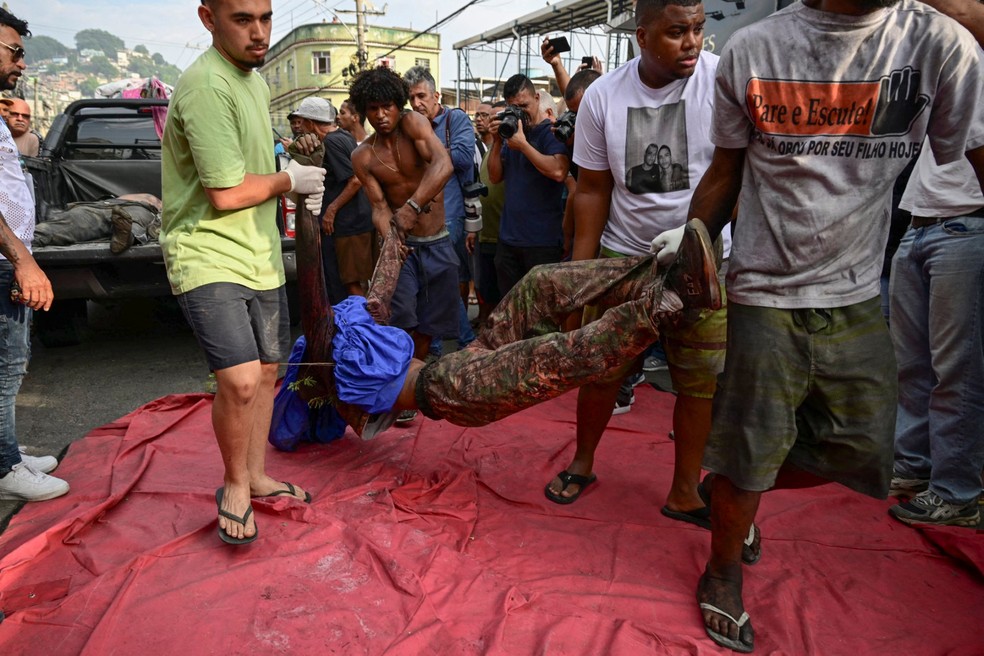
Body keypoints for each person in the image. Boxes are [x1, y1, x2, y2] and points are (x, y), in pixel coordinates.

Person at [656, 0, 983, 651]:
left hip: (859, 290)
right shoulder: (754, 50)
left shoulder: (938, 45)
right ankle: (722, 570)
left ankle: (729, 487)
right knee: (752, 445)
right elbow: (726, 170)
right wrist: (691, 254)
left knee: (864, 447)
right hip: (762, 292)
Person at [545, 0, 729, 551]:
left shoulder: (722, 82)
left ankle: (684, 492)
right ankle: (582, 461)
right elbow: (593, 191)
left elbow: (741, 171)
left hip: (701, 258)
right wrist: (582, 279)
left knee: (699, 383)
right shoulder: (603, 96)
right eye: (676, 32)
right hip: (626, 258)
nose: (692, 42)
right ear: (643, 35)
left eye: (698, 29)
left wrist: (712, 244)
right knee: (602, 371)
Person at [160, 0, 326, 545]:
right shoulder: (208, 86)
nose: (259, 33)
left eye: (266, 18)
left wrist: (286, 173)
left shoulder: (252, 82)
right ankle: (234, 485)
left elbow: (252, 168)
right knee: (241, 379)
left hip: (258, 250)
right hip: (207, 251)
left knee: (270, 373)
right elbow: (226, 193)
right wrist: (288, 180)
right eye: (242, 20)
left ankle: (256, 476)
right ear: (208, 18)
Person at [886, 0, 984, 529]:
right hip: (921, 220)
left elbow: (968, 12)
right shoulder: (951, 58)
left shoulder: (970, 35)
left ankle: (958, 490)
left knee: (957, 370)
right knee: (914, 364)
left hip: (967, 224)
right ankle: (913, 466)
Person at [0, 7, 67, 502]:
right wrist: (22, 259)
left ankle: (7, 452)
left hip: (9, 256)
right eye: (14, 51)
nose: (21, 63)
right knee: (5, 367)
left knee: (12, 364)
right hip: (5, 258)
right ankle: (5, 469)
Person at [349, 67, 455, 367]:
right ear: (364, 112)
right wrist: (389, 238)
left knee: (429, 325)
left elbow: (443, 164)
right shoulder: (363, 156)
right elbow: (380, 207)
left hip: (437, 241)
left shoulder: (414, 123)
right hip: (403, 249)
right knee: (400, 320)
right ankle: (398, 379)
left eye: (387, 106)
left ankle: (410, 379)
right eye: (373, 109)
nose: (381, 115)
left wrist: (412, 206)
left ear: (398, 105)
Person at [404, 65, 476, 351]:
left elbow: (461, 156)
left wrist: (425, 148)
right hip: (422, 217)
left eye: (422, 96)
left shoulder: (454, 119)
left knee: (439, 282)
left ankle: (465, 342)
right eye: (412, 98)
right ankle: (435, 346)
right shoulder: (410, 124)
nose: (417, 103)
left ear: (436, 95)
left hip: (451, 213)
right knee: (432, 282)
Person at [488, 74, 570, 294]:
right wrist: (497, 142)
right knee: (509, 309)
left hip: (541, 242)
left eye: (524, 105)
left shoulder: (549, 132)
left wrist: (523, 146)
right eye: (514, 107)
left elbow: (559, 171)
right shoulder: (511, 133)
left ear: (536, 98)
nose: (520, 112)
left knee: (540, 313)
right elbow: (495, 177)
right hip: (508, 240)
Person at [294, 96, 376, 299]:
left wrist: (331, 210)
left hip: (350, 225)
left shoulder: (332, 142)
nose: (300, 127)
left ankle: (361, 328)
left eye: (302, 122)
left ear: (311, 123)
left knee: (352, 286)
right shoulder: (342, 136)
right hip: (354, 222)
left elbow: (356, 180)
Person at [468, 101, 505, 329]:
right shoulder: (486, 151)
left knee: (500, 289)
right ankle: (483, 324)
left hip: (503, 234)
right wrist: (473, 230)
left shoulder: (509, 149)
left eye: (490, 116)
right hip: (485, 232)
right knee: (485, 284)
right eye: (480, 115)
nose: (485, 121)